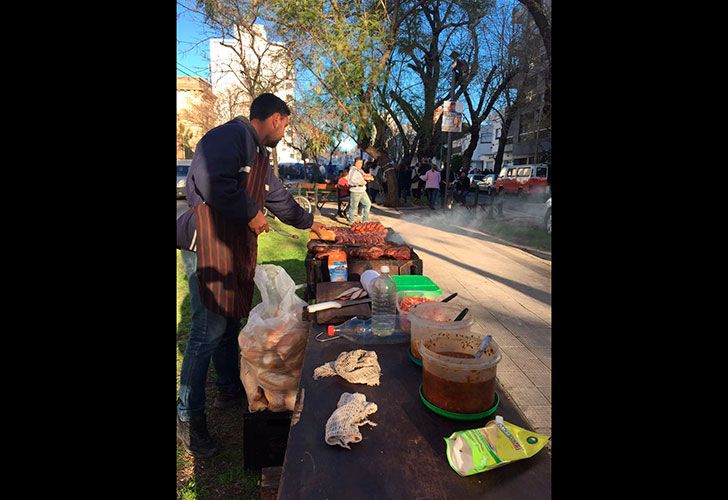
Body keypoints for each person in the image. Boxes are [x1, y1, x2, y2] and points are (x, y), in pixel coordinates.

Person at [175, 93, 326, 458]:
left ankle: (227, 384)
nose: (284, 131)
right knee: (207, 330)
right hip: (206, 245)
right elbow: (211, 181)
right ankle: (186, 418)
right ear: (275, 118)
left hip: (230, 245)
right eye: (286, 124)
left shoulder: (259, 155)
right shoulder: (227, 137)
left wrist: (310, 224)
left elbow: (277, 198)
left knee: (230, 319)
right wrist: (249, 211)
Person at [346, 158, 373, 223]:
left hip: (362, 190)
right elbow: (350, 181)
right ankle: (351, 221)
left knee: (368, 204)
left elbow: (364, 176)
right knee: (353, 207)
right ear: (355, 163)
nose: (360, 164)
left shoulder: (360, 170)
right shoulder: (352, 170)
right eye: (358, 163)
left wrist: (368, 178)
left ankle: (365, 221)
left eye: (361, 163)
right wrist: (358, 183)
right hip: (355, 191)